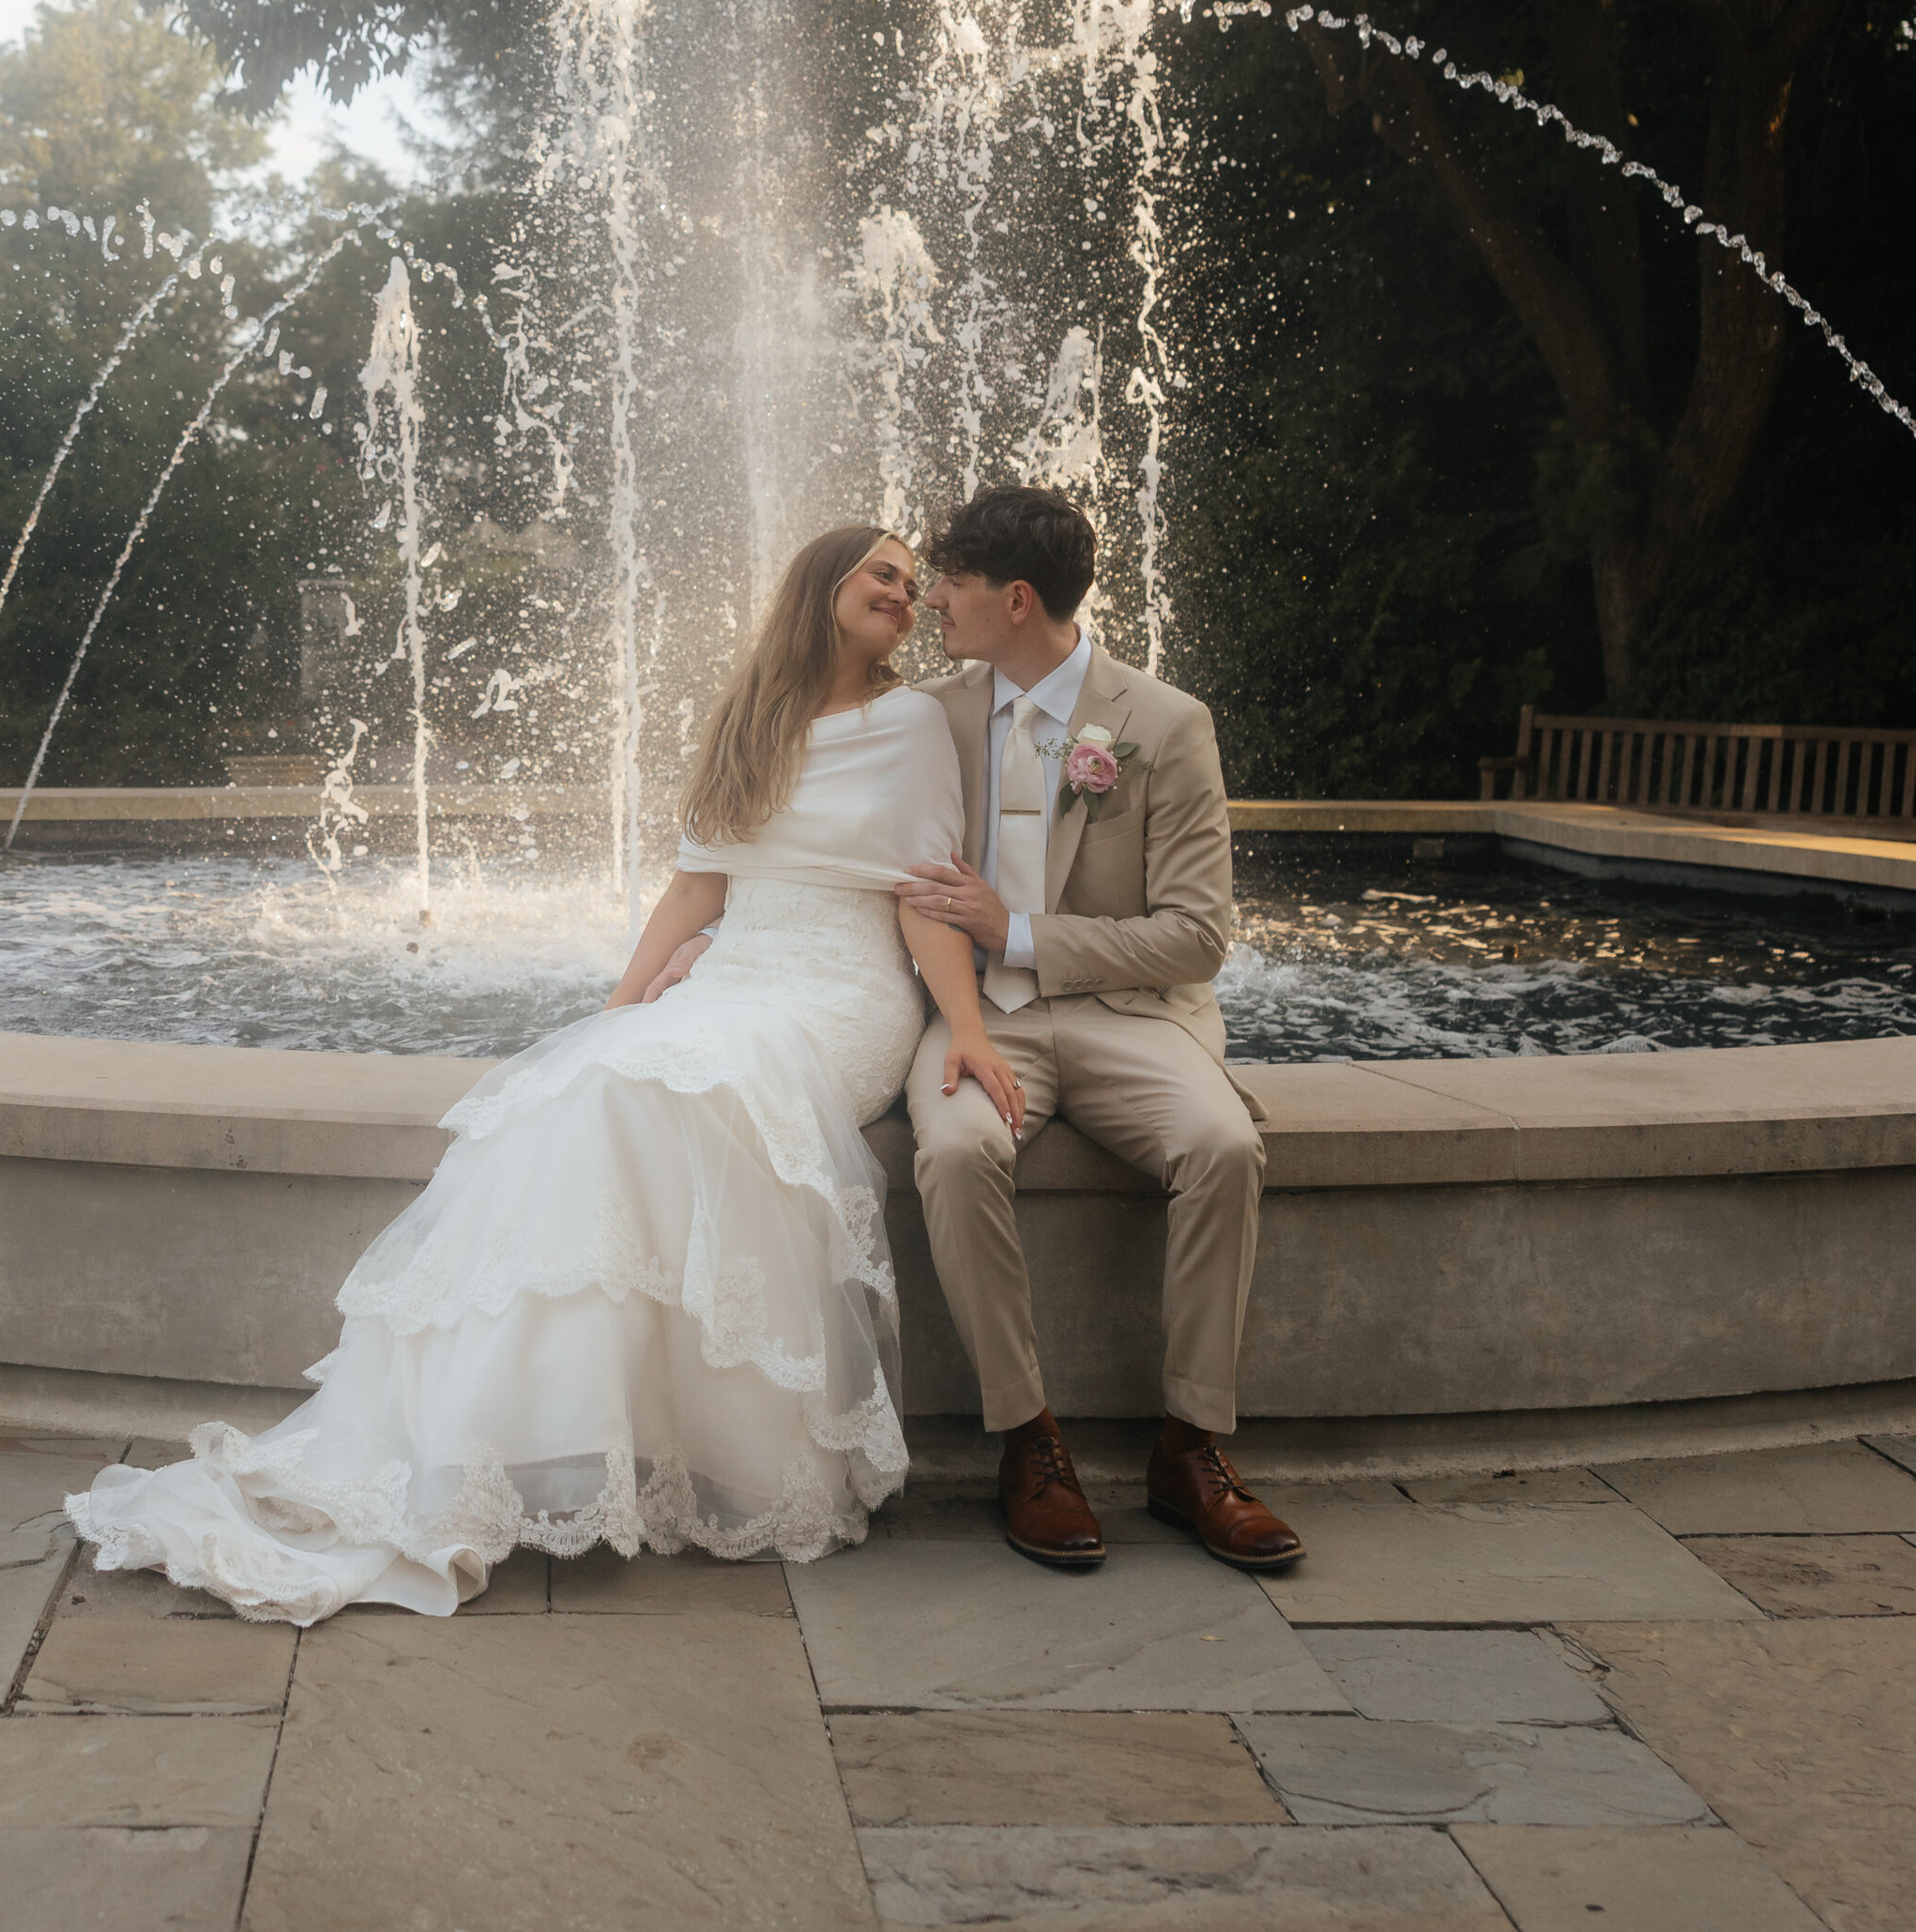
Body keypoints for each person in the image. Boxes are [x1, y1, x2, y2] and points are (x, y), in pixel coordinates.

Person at [63, 525, 1023, 1621]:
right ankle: (492, 1445)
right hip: (738, 972)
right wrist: (610, 1015)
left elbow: (926, 895)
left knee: (698, 1087)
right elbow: (694, 893)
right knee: (595, 1085)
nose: (906, 593)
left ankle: (731, 1456)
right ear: (823, 587)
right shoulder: (749, 722)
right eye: (883, 574)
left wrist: (968, 1030)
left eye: (913, 582)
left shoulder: (907, 723)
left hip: (838, 991)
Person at [893, 486, 1304, 1575]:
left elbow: (1194, 939)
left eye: (955, 584)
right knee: (954, 1148)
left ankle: (1191, 1446)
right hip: (981, 1017)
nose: (935, 601)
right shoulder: (928, 717)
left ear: (1015, 599)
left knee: (1222, 1145)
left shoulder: (1163, 724)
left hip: (1128, 1017)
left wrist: (1017, 927)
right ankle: (1027, 1440)